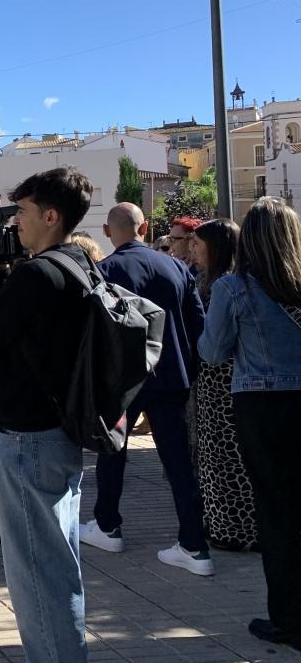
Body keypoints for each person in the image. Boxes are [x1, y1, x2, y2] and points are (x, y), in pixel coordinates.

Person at [0, 166, 95, 663]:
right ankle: (49, 661)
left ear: (51, 216)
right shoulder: (78, 264)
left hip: (29, 440)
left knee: (37, 572)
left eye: (23, 214)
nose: (15, 225)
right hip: (60, 433)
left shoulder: (36, 274)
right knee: (58, 563)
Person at [79, 204, 211, 576]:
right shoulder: (177, 267)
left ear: (107, 231)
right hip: (171, 377)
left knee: (112, 451)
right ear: (146, 227)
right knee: (179, 462)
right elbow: (197, 324)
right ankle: (194, 545)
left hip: (124, 381)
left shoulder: (104, 271)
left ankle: (107, 525)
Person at [198, 197, 301, 650]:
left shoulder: (233, 288)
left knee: (277, 514)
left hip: (262, 405)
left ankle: (289, 618)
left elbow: (213, 351)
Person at [190, 218, 257, 552]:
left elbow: (214, 346)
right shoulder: (209, 282)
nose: (191, 249)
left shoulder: (224, 286)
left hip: (222, 383)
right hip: (221, 383)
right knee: (220, 456)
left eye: (198, 244)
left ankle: (230, 527)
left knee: (225, 456)